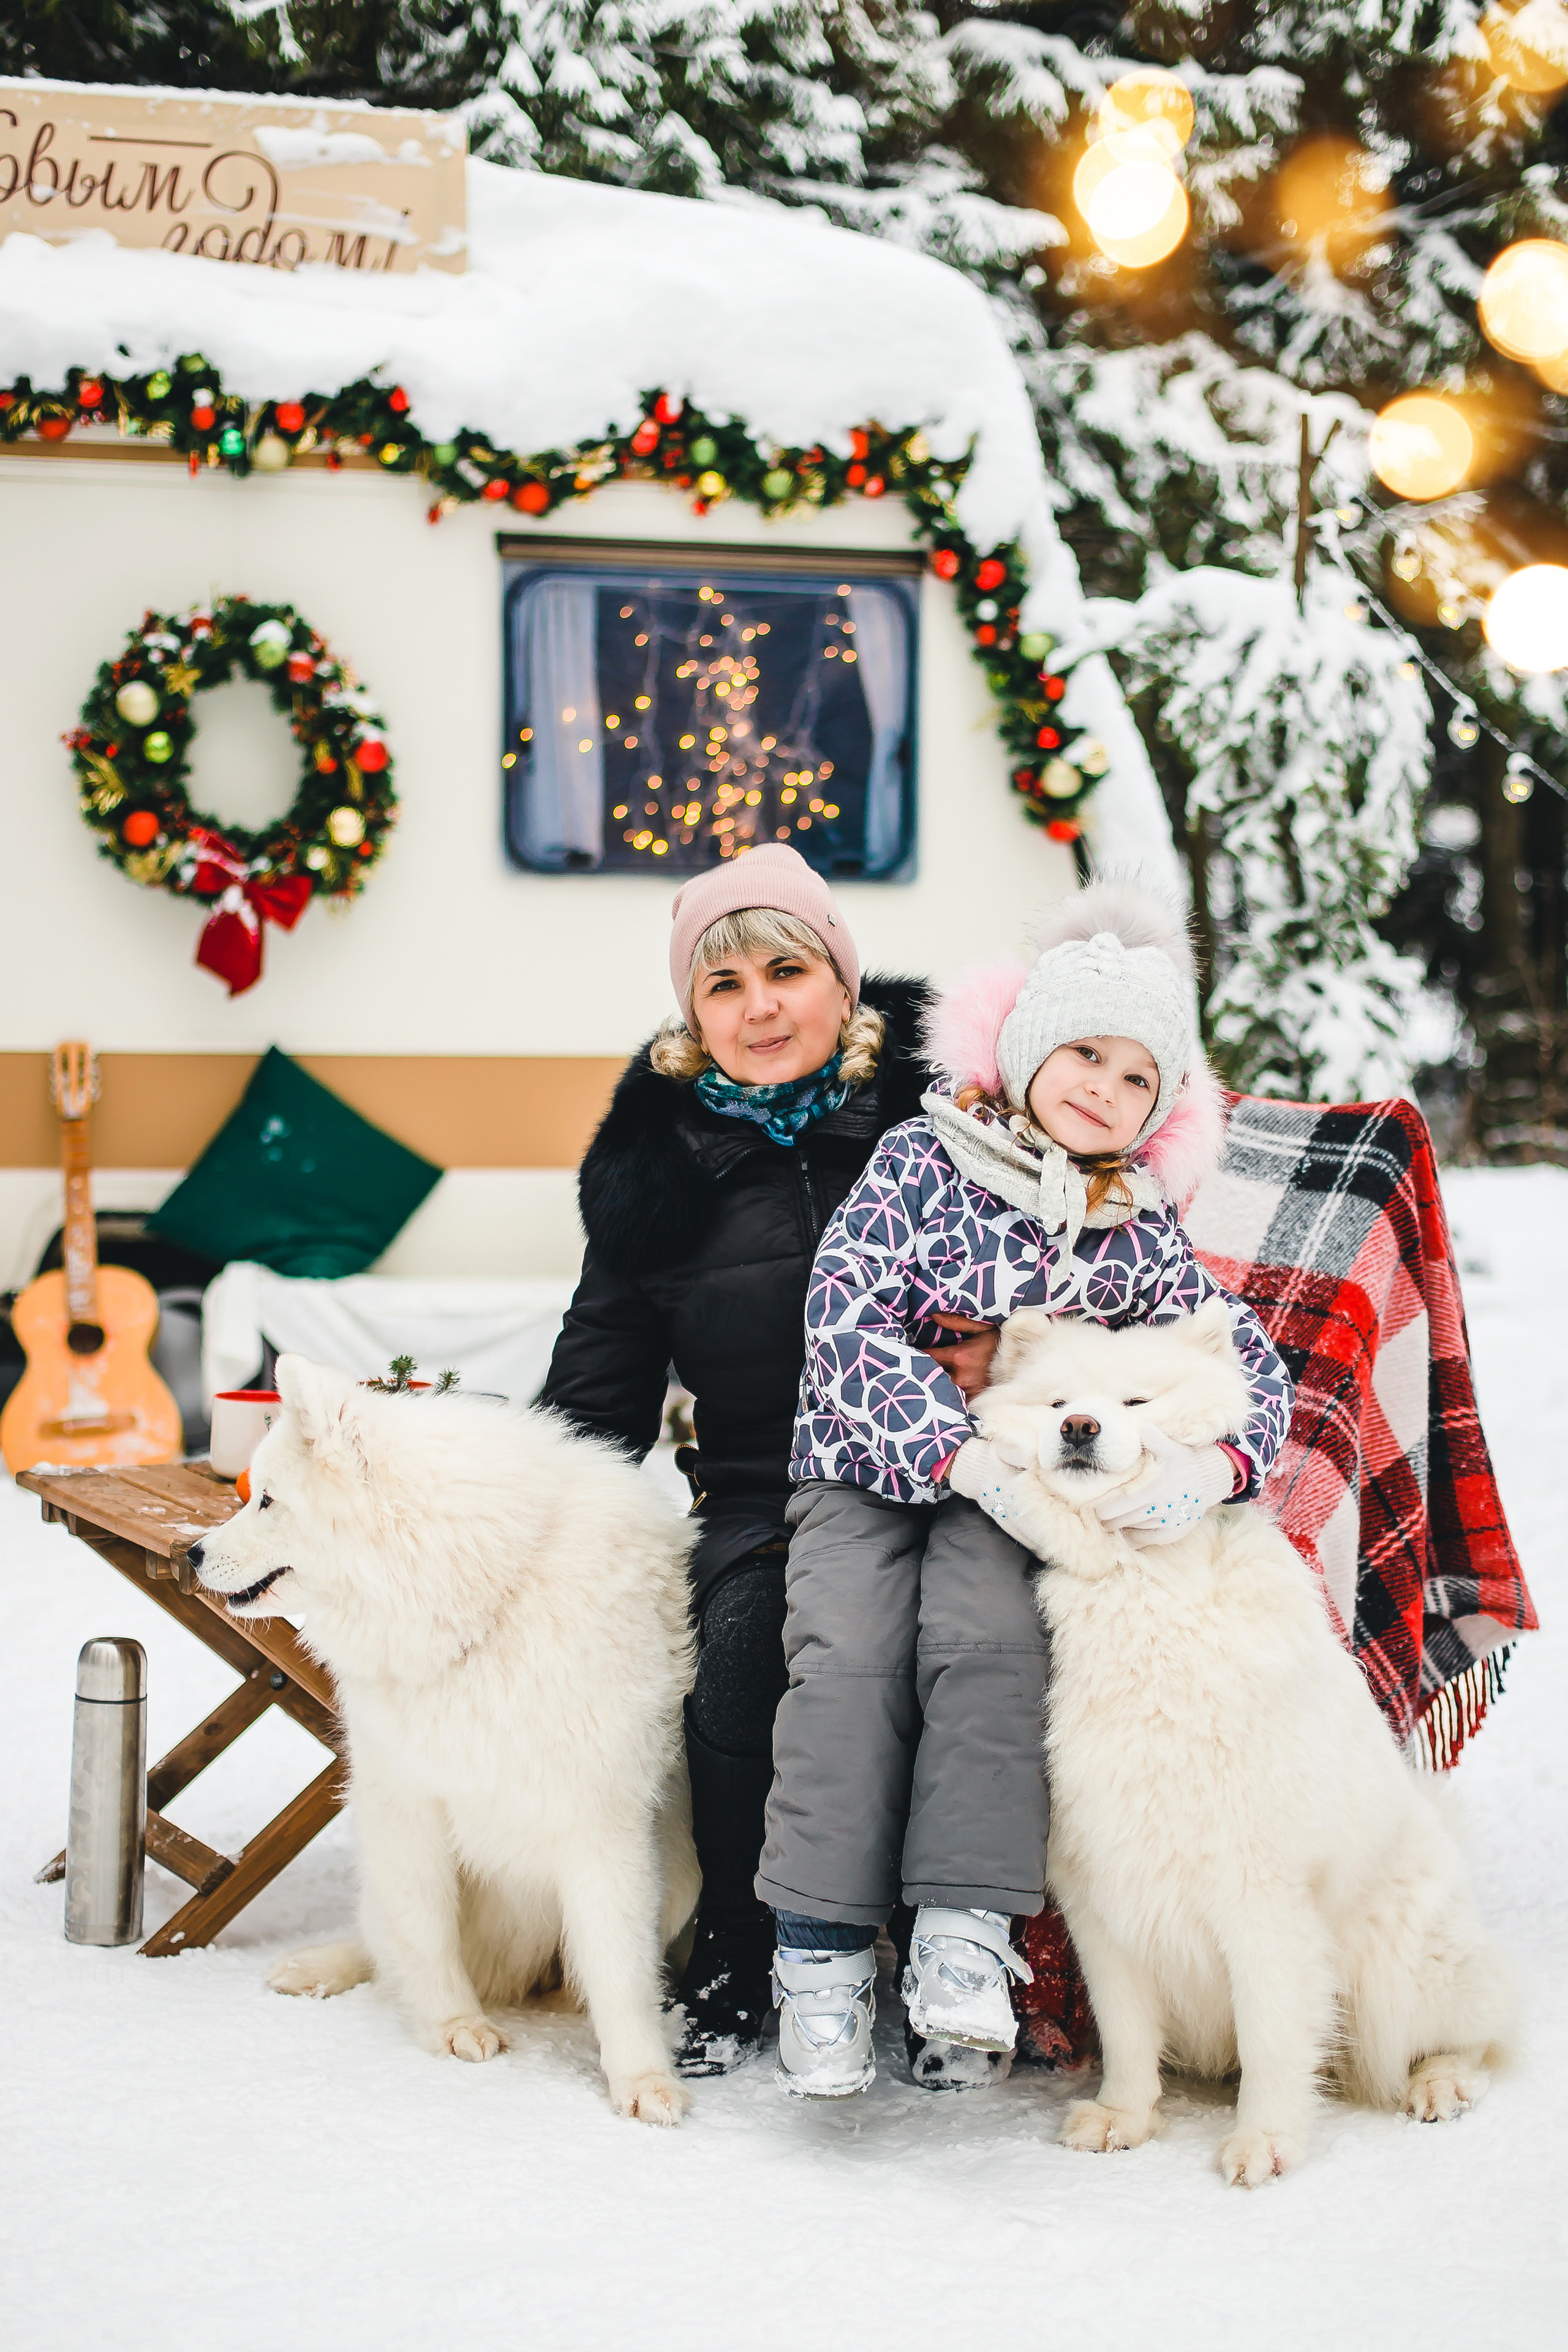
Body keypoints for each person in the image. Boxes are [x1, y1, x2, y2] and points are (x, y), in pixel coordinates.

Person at [760, 878, 1295, 2097]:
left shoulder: (1132, 1228)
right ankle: (821, 1953)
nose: (1099, 1086)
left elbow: (1237, 1357)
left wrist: (1213, 1464)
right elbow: (843, 1323)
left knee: (990, 1648)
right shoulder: (917, 1161)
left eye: (1134, 1079)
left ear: (1159, 1113)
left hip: (1021, 1500)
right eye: (1083, 1053)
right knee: (842, 1654)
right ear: (1022, 1043)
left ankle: (960, 1938)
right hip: (866, 1470)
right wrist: (954, 1452)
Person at [541, 846, 990, 2077]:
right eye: (723, 984)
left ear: (842, 983)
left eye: (787, 970)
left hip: (968, 1473)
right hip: (766, 1492)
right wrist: (519, 1520)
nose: (759, 1006)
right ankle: (747, 1937)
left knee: (983, 1644)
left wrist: (1011, 1344)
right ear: (692, 1015)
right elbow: (596, 1394)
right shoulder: (649, 1180)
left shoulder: (949, 1112)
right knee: (744, 1652)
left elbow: (1073, 1255)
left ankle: (969, 1944)